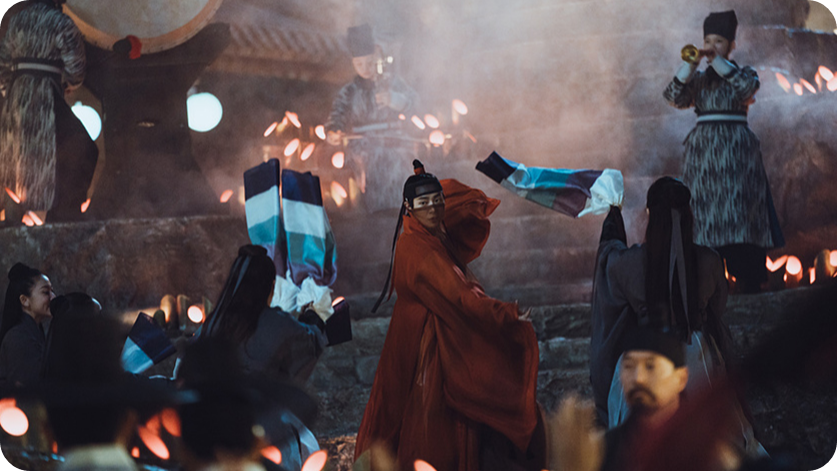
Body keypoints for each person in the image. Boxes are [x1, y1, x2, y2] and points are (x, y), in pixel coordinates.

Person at [355, 160, 545, 471]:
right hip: (428, 342)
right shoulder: (419, 250)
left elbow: (456, 203)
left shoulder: (429, 234)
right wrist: (503, 313)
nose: (432, 209)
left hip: (427, 330)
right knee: (430, 418)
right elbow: (459, 294)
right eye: (423, 204)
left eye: (437, 201)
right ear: (408, 208)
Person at [591, 177, 765, 458]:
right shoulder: (710, 260)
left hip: (646, 357)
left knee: (638, 447)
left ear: (651, 216)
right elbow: (718, 306)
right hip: (698, 357)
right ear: (688, 216)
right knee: (710, 444)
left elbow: (608, 264)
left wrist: (612, 223)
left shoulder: (628, 262)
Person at [663, 10, 783, 293]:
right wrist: (689, 66)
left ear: (731, 45)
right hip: (703, 159)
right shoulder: (699, 80)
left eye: (718, 41)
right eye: (707, 41)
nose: (711, 46)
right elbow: (672, 97)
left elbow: (746, 89)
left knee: (740, 214)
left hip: (737, 157)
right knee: (703, 217)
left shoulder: (745, 74)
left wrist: (717, 61)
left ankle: (748, 281)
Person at [197, 244, 327, 471]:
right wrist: (314, 316)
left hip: (212, 432)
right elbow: (310, 342)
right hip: (265, 431)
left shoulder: (211, 323)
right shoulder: (277, 323)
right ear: (270, 286)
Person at [0, 0, 98, 222]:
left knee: (19, 157)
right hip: (46, 94)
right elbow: (76, 69)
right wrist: (67, 85)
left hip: (15, 99)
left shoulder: (17, 21)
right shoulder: (62, 22)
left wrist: (14, 95)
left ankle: (14, 219)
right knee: (83, 149)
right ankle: (65, 216)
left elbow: (2, 64)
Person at [324, 24, 418, 213]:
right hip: (361, 149)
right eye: (359, 64)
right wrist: (334, 130)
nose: (365, 68)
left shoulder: (392, 83)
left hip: (394, 145)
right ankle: (368, 216)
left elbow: (415, 104)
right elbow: (337, 115)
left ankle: (401, 212)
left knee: (401, 169)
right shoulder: (349, 92)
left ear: (376, 57)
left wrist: (396, 100)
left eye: (368, 63)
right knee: (364, 171)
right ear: (353, 63)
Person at [0, 262, 54, 385]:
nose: (53, 297)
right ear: (24, 300)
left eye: (52, 291)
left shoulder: (33, 333)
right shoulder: (17, 338)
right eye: (46, 292)